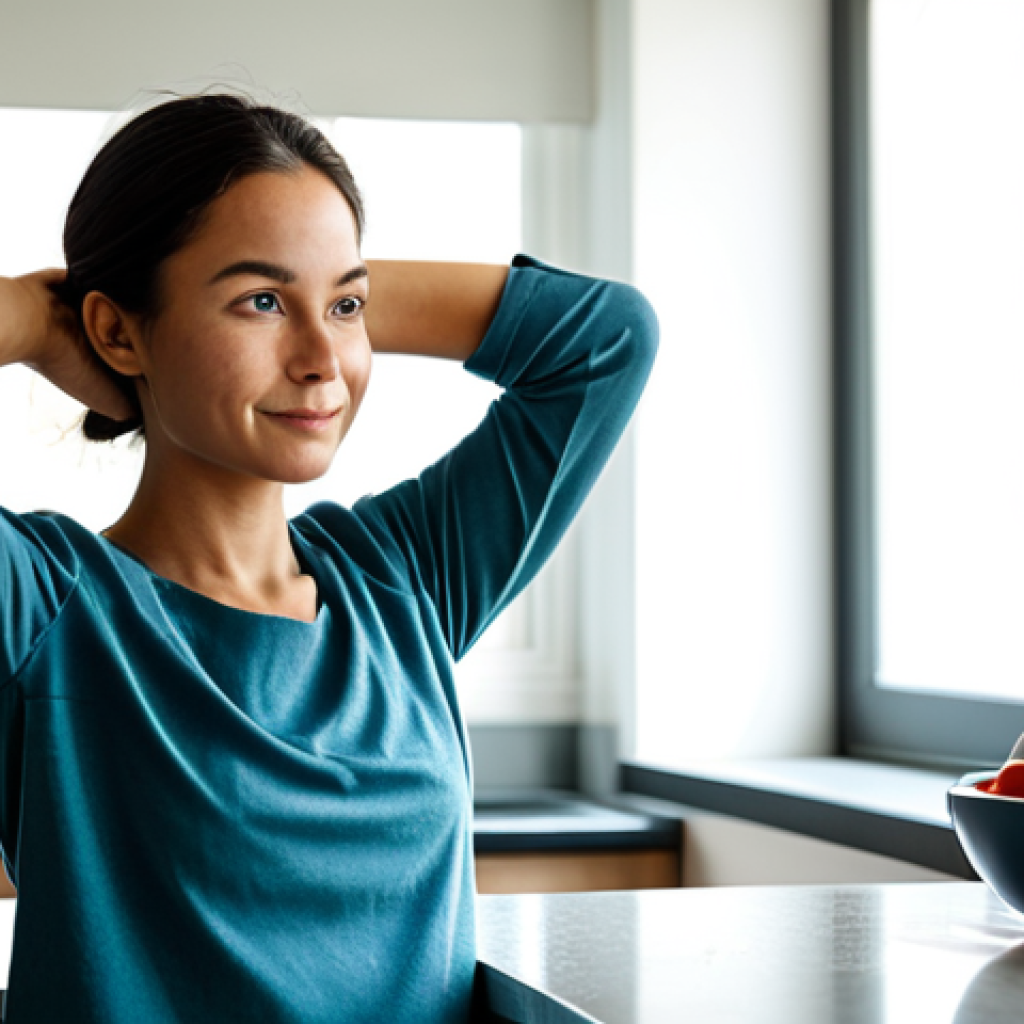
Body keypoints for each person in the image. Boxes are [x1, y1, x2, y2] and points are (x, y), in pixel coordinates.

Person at [0, 92, 659, 1023]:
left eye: (348, 306)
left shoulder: (401, 581)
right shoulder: (46, 608)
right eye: (261, 302)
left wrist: (303, 273)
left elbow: (605, 339)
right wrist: (36, 321)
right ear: (117, 331)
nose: (323, 359)